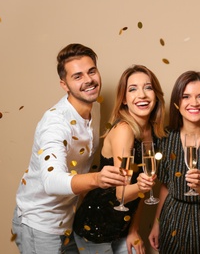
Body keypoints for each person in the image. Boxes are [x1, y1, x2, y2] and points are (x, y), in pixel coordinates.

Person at [12, 43, 127, 254]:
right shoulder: (54, 123)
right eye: (78, 76)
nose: (89, 80)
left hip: (70, 219)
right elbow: (51, 180)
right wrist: (97, 179)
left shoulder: (96, 109)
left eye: (92, 71)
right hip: (40, 224)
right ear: (64, 85)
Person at [73, 64, 166, 254]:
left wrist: (133, 230)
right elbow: (121, 192)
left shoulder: (154, 133)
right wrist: (142, 186)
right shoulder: (124, 130)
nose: (141, 95)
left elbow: (140, 194)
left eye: (147, 87)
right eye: (132, 89)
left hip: (122, 227)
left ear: (155, 94)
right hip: (96, 225)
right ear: (124, 99)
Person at [148, 71, 200, 253]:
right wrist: (157, 223)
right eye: (185, 96)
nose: (194, 103)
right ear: (177, 103)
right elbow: (166, 185)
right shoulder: (167, 138)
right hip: (173, 222)